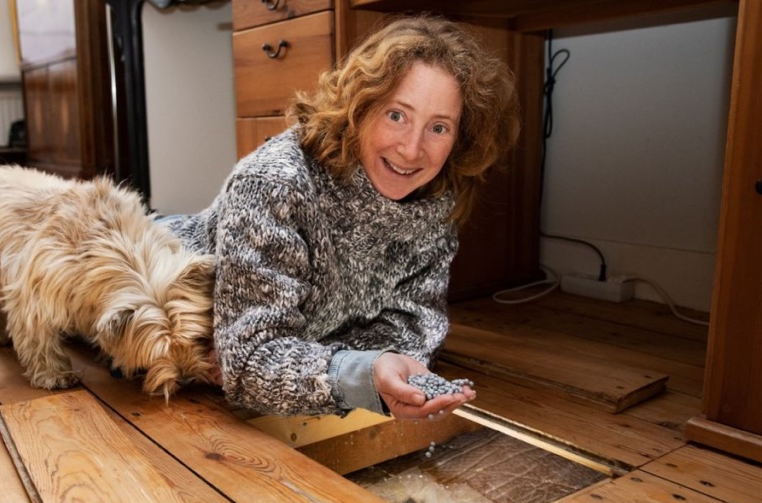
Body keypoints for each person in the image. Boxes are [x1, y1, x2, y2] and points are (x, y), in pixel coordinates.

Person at [166, 14, 520, 419]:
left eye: (439, 127)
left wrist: (372, 368)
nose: (411, 149)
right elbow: (247, 365)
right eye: (396, 115)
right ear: (359, 107)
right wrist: (358, 369)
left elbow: (414, 330)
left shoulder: (433, 206)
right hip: (150, 279)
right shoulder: (274, 184)